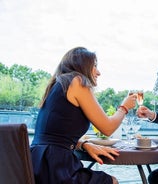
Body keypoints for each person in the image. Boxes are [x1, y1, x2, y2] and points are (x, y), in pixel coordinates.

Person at [30, 47, 137, 184]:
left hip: (38, 163)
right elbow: (108, 128)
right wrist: (124, 107)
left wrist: (84, 144)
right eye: (94, 66)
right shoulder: (77, 81)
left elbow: (54, 135)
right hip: (56, 167)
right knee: (112, 181)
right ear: (82, 66)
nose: (98, 72)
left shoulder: (58, 85)